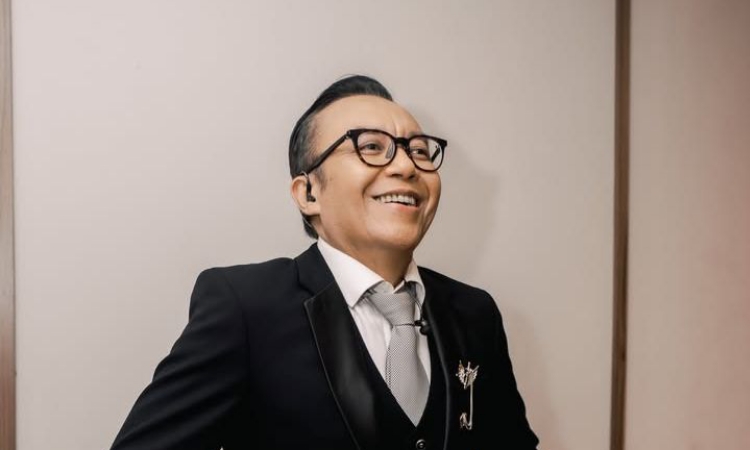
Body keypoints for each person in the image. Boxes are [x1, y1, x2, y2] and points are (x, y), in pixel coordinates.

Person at [111, 75, 538, 450]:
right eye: (371, 147)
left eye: (420, 151)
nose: (406, 166)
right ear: (308, 193)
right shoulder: (246, 307)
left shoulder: (474, 313)